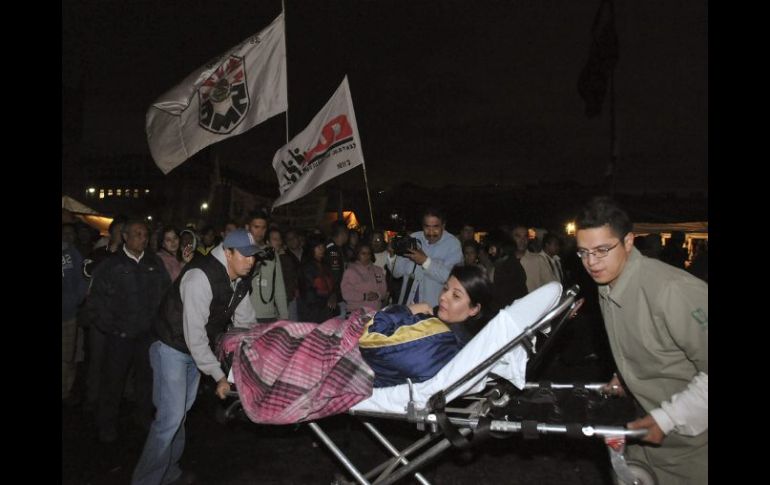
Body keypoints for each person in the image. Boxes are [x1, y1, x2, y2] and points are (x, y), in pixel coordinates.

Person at [575, 197, 707, 484]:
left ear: (629, 242)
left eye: (601, 250)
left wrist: (668, 418)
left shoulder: (673, 291)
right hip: (645, 434)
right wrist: (625, 374)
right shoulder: (607, 282)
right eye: (583, 252)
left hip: (694, 448)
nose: (591, 263)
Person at [132, 229, 259, 485]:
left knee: (180, 413)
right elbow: (194, 335)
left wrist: (256, 356)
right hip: (171, 345)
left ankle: (169, 472)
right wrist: (219, 375)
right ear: (227, 252)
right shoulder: (200, 276)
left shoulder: (240, 280)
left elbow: (245, 325)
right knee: (170, 418)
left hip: (193, 349)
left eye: (253, 256)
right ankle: (145, 480)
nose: (250, 261)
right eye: (244, 255)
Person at [360, 265, 497, 387]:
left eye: (456, 296)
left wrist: (408, 310)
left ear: (474, 309)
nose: (444, 297)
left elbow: (371, 341)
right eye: (445, 288)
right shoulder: (467, 338)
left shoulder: (441, 340)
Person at [388, 207, 463, 307]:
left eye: (435, 227)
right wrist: (392, 256)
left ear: (443, 226)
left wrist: (425, 261)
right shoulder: (414, 238)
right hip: (407, 307)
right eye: (427, 227)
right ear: (422, 225)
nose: (431, 231)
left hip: (433, 310)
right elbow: (396, 273)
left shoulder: (453, 244)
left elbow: (450, 278)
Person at [341, 242, 388, 313]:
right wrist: (365, 296)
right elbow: (346, 294)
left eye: (369, 253)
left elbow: (383, 291)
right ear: (357, 254)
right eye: (363, 253)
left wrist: (378, 295)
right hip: (355, 313)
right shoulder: (350, 271)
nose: (367, 256)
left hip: (375, 313)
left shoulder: (378, 270)